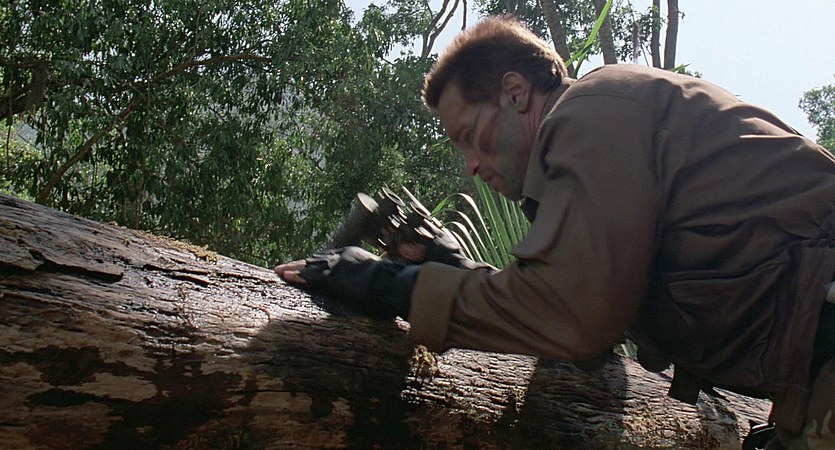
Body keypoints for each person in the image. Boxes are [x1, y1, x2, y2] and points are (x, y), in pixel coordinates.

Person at [276, 15, 835, 449]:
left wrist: (388, 285)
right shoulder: (595, 140)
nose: (471, 165)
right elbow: (583, 313)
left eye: (470, 135)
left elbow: (574, 317)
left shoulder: (595, 109)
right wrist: (460, 272)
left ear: (516, 92)